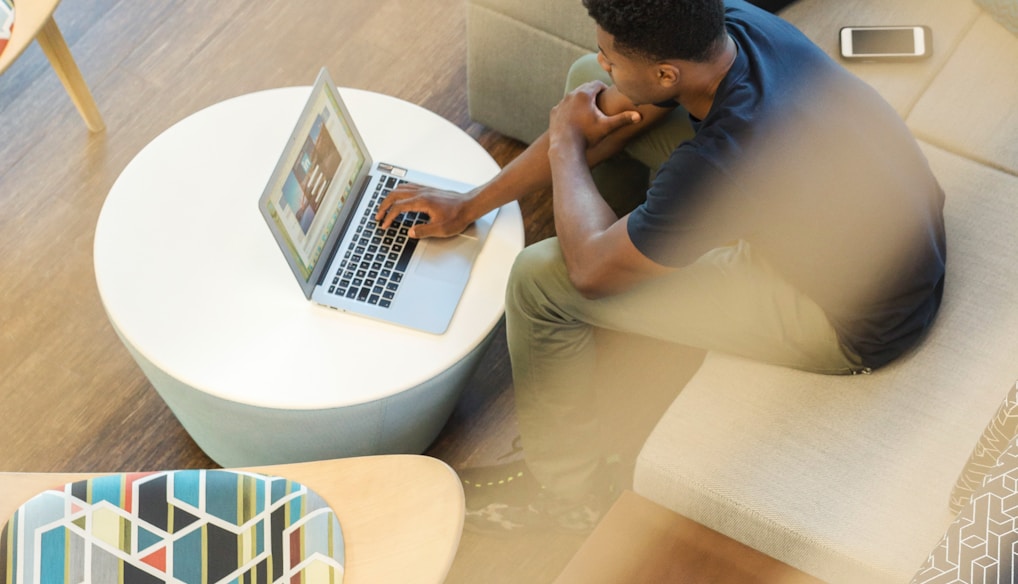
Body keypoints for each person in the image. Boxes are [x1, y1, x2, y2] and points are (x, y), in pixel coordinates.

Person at [377, 0, 946, 534]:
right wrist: (471, 203)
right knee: (587, 86)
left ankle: (564, 495)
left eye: (613, 56)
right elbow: (607, 106)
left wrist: (564, 147)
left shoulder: (727, 156)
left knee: (539, 280)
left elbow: (587, 273)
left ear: (669, 75)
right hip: (886, 229)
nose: (604, 60)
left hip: (849, 317)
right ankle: (631, 257)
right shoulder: (734, 25)